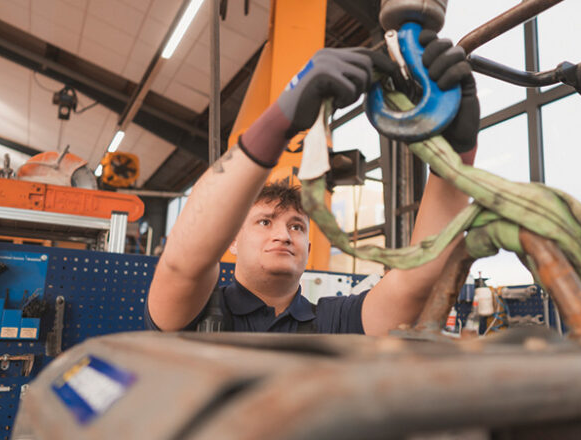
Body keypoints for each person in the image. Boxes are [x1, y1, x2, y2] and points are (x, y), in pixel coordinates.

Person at [145, 31, 480, 336]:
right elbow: (182, 263)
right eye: (264, 222)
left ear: (308, 246)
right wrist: (279, 120)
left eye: (297, 227)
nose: (283, 235)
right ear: (232, 240)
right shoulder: (199, 312)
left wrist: (456, 156)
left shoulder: (338, 320)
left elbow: (416, 283)